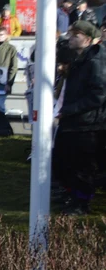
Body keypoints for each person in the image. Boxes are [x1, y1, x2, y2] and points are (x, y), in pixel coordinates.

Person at [53, 21, 106, 215]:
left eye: (76, 35)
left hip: (87, 124)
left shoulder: (96, 59)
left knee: (82, 166)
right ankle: (70, 193)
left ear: (88, 39)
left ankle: (81, 202)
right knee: (64, 161)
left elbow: (98, 95)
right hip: (73, 120)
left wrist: (69, 109)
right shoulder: (80, 58)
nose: (70, 38)